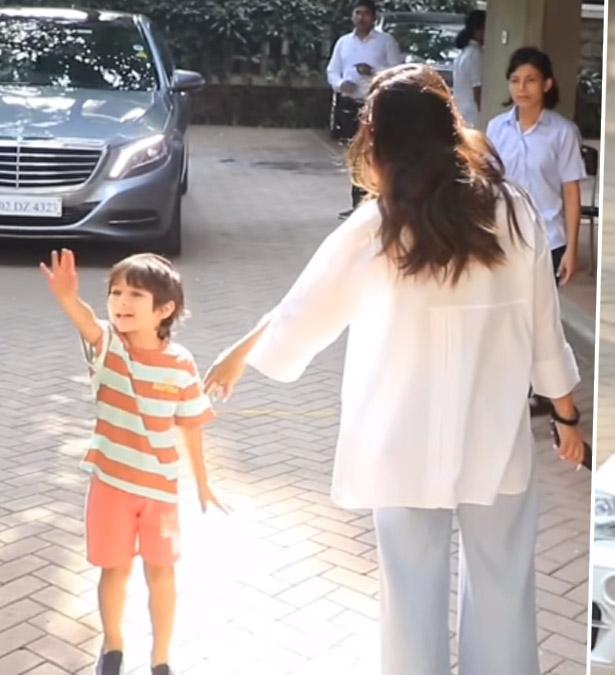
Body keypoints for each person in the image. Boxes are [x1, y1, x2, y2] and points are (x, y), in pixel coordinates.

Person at [202, 64, 587, 675]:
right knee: (504, 587)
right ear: (448, 128)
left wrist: (240, 352)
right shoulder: (514, 214)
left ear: (378, 143)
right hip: (494, 439)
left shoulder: (379, 225)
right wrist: (566, 416)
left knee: (410, 596)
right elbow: (546, 334)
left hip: (401, 442)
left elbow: (302, 315)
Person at [39, 250, 224, 675]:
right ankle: (114, 646)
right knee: (114, 571)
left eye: (135, 294)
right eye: (115, 292)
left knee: (162, 574)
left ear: (165, 309)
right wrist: (68, 296)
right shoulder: (107, 347)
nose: (121, 302)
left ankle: (161, 659)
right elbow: (85, 319)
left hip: (160, 493)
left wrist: (202, 481)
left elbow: (191, 425)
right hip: (109, 486)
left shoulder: (181, 363)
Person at [486, 46, 587, 287]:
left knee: (537, 315)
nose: (522, 88)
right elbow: (487, 182)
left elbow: (571, 192)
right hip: (504, 235)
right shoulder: (496, 128)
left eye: (531, 80)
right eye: (515, 80)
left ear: (547, 85)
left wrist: (571, 250)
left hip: (547, 238)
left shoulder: (563, 132)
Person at [326, 0, 403, 218]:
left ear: (374, 17)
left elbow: (397, 71)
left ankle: (377, 200)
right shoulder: (343, 43)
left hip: (376, 103)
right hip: (349, 103)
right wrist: (341, 84)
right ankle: (357, 203)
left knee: (376, 152)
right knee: (354, 152)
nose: (361, 18)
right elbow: (332, 70)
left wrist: (373, 71)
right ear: (352, 16)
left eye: (366, 14)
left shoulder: (386, 42)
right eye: (358, 13)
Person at [451, 10, 486, 129]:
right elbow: (478, 87)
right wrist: (483, 113)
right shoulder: (476, 54)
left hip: (460, 110)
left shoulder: (462, 54)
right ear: (479, 30)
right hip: (473, 113)